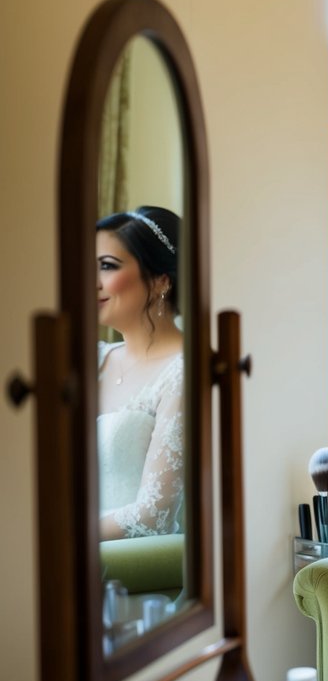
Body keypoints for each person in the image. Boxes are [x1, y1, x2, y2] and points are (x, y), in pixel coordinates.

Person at [96, 206, 185, 540]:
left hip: (137, 576)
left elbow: (153, 515)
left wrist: (63, 537)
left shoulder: (183, 373)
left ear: (161, 280)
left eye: (107, 267)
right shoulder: (94, 361)